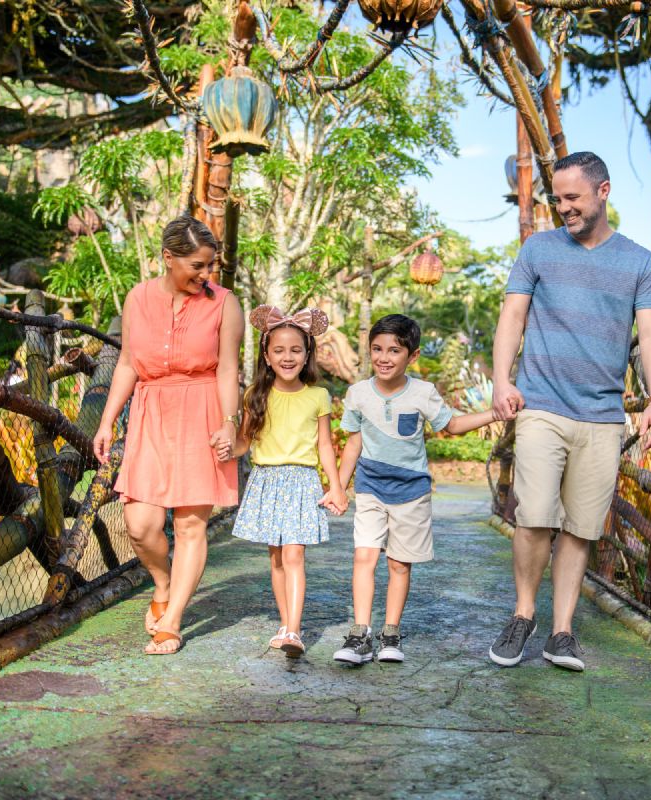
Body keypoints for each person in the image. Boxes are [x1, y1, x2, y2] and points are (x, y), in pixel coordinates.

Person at [487, 151, 651, 672]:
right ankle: (523, 614)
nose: (562, 207)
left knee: (582, 529)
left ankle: (561, 631)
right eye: (557, 198)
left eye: (573, 198)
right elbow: (512, 317)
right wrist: (502, 380)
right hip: (542, 404)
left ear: (603, 192)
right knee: (536, 515)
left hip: (603, 415)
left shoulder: (637, 260)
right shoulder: (538, 249)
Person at [93, 215, 244, 656]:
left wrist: (228, 422)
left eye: (211, 265)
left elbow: (229, 369)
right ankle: (162, 582)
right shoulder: (137, 298)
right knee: (140, 525)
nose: (206, 274)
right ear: (168, 258)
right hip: (151, 412)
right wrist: (107, 421)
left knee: (191, 524)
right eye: (197, 265)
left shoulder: (224, 303)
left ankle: (173, 621)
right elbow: (127, 364)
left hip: (201, 411)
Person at [333, 314, 496, 665]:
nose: (384, 357)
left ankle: (390, 633)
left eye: (394, 350)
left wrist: (493, 414)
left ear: (413, 355)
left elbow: (452, 425)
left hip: (411, 491)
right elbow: (352, 444)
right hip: (370, 487)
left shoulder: (423, 392)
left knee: (399, 564)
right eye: (377, 349)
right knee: (364, 556)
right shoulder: (358, 394)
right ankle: (359, 634)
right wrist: (338, 487)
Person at [223, 305, 348, 659]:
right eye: (279, 350)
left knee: (294, 554)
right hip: (266, 480)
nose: (287, 357)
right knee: (276, 557)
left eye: (296, 349)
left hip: (302, 481)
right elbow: (245, 442)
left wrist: (335, 486)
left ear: (307, 353)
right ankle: (284, 622)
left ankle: (294, 629)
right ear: (266, 354)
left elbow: (325, 444)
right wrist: (228, 446)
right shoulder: (255, 396)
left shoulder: (318, 395)